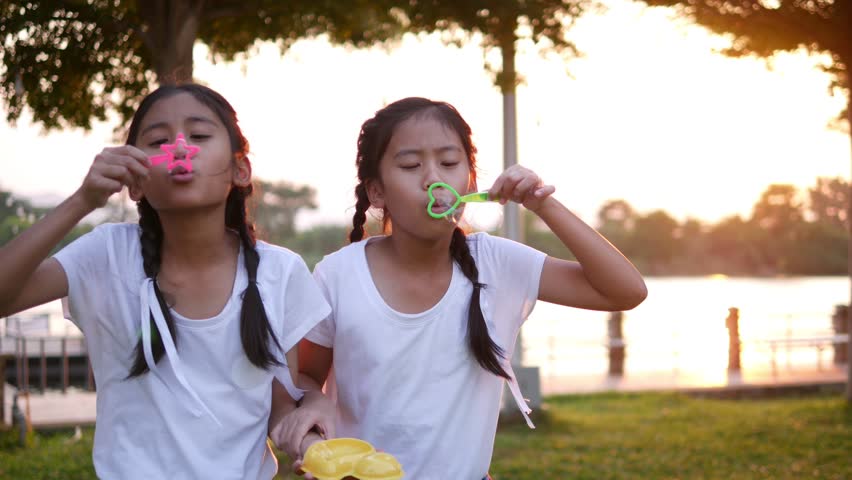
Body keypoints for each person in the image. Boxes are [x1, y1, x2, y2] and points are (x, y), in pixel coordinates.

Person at [274, 97, 648, 479]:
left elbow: (626, 291)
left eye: (449, 163)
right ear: (377, 192)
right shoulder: (339, 275)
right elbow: (304, 376)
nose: (433, 179)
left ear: (469, 180)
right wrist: (314, 403)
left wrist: (543, 205)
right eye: (410, 165)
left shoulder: (497, 263)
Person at [0, 84, 330, 479]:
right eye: (158, 140)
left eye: (199, 136)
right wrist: (82, 201)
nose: (178, 148)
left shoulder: (281, 273)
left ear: (240, 170)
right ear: (135, 182)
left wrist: (308, 438)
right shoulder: (106, 255)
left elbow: (276, 405)